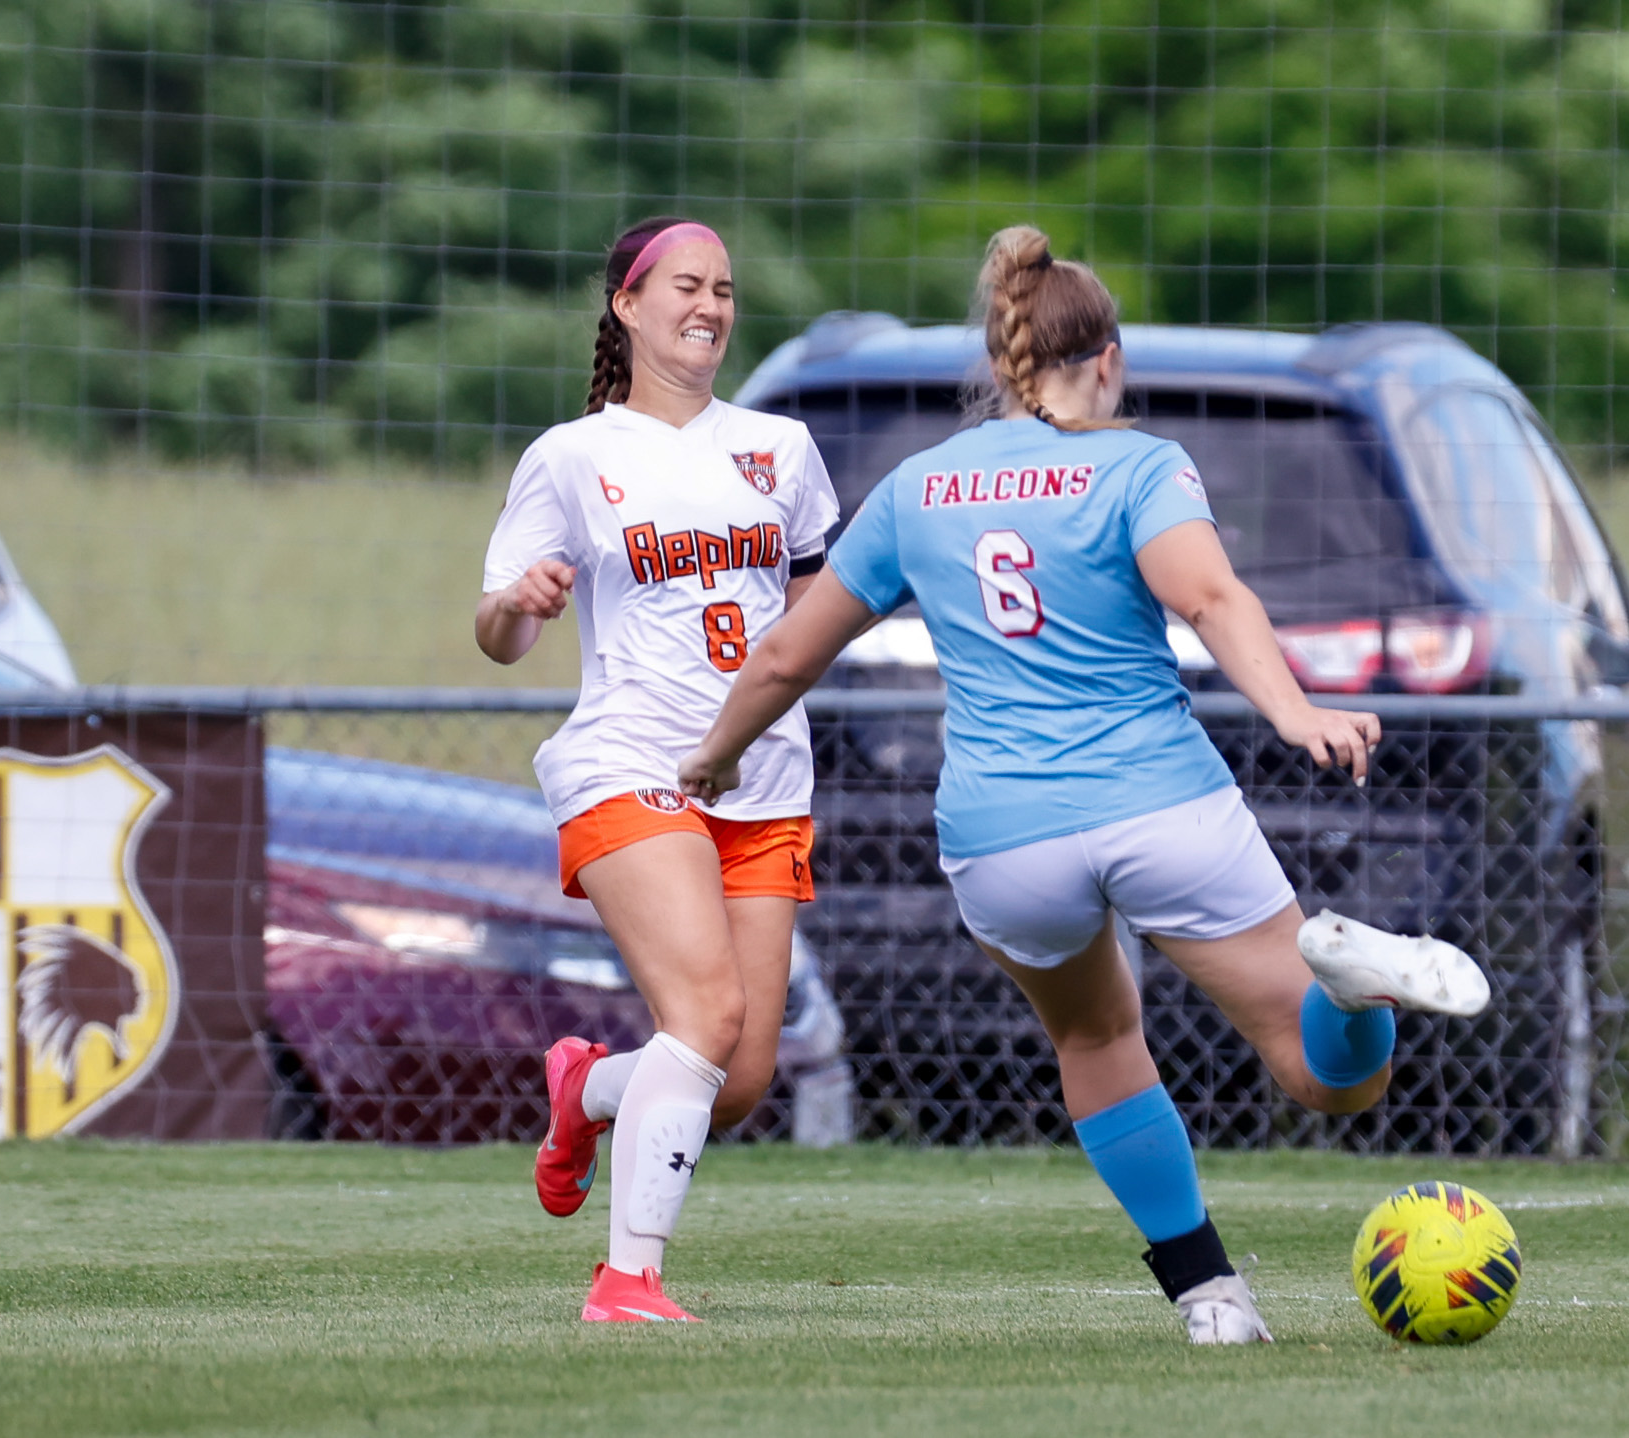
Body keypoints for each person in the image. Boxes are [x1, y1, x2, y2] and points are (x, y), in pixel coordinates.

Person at [677, 225, 1491, 1344]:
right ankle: (1352, 992)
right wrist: (1295, 710)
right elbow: (1210, 598)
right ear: (1107, 360)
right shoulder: (1140, 467)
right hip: (1160, 805)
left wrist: (714, 756)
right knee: (1324, 1076)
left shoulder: (918, 486)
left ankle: (1209, 1298)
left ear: (1000, 359)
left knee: (1099, 1042)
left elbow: (783, 656)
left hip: (1003, 836)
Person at [476, 216, 839, 1323]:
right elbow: (497, 637)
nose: (710, 306)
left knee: (738, 1076)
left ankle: (585, 1085)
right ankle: (626, 1281)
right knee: (705, 1010)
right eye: (686, 285)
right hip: (629, 760)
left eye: (723, 288)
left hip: (762, 781)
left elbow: (811, 619)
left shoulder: (781, 449)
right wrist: (520, 602)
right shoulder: (572, 455)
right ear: (626, 305)